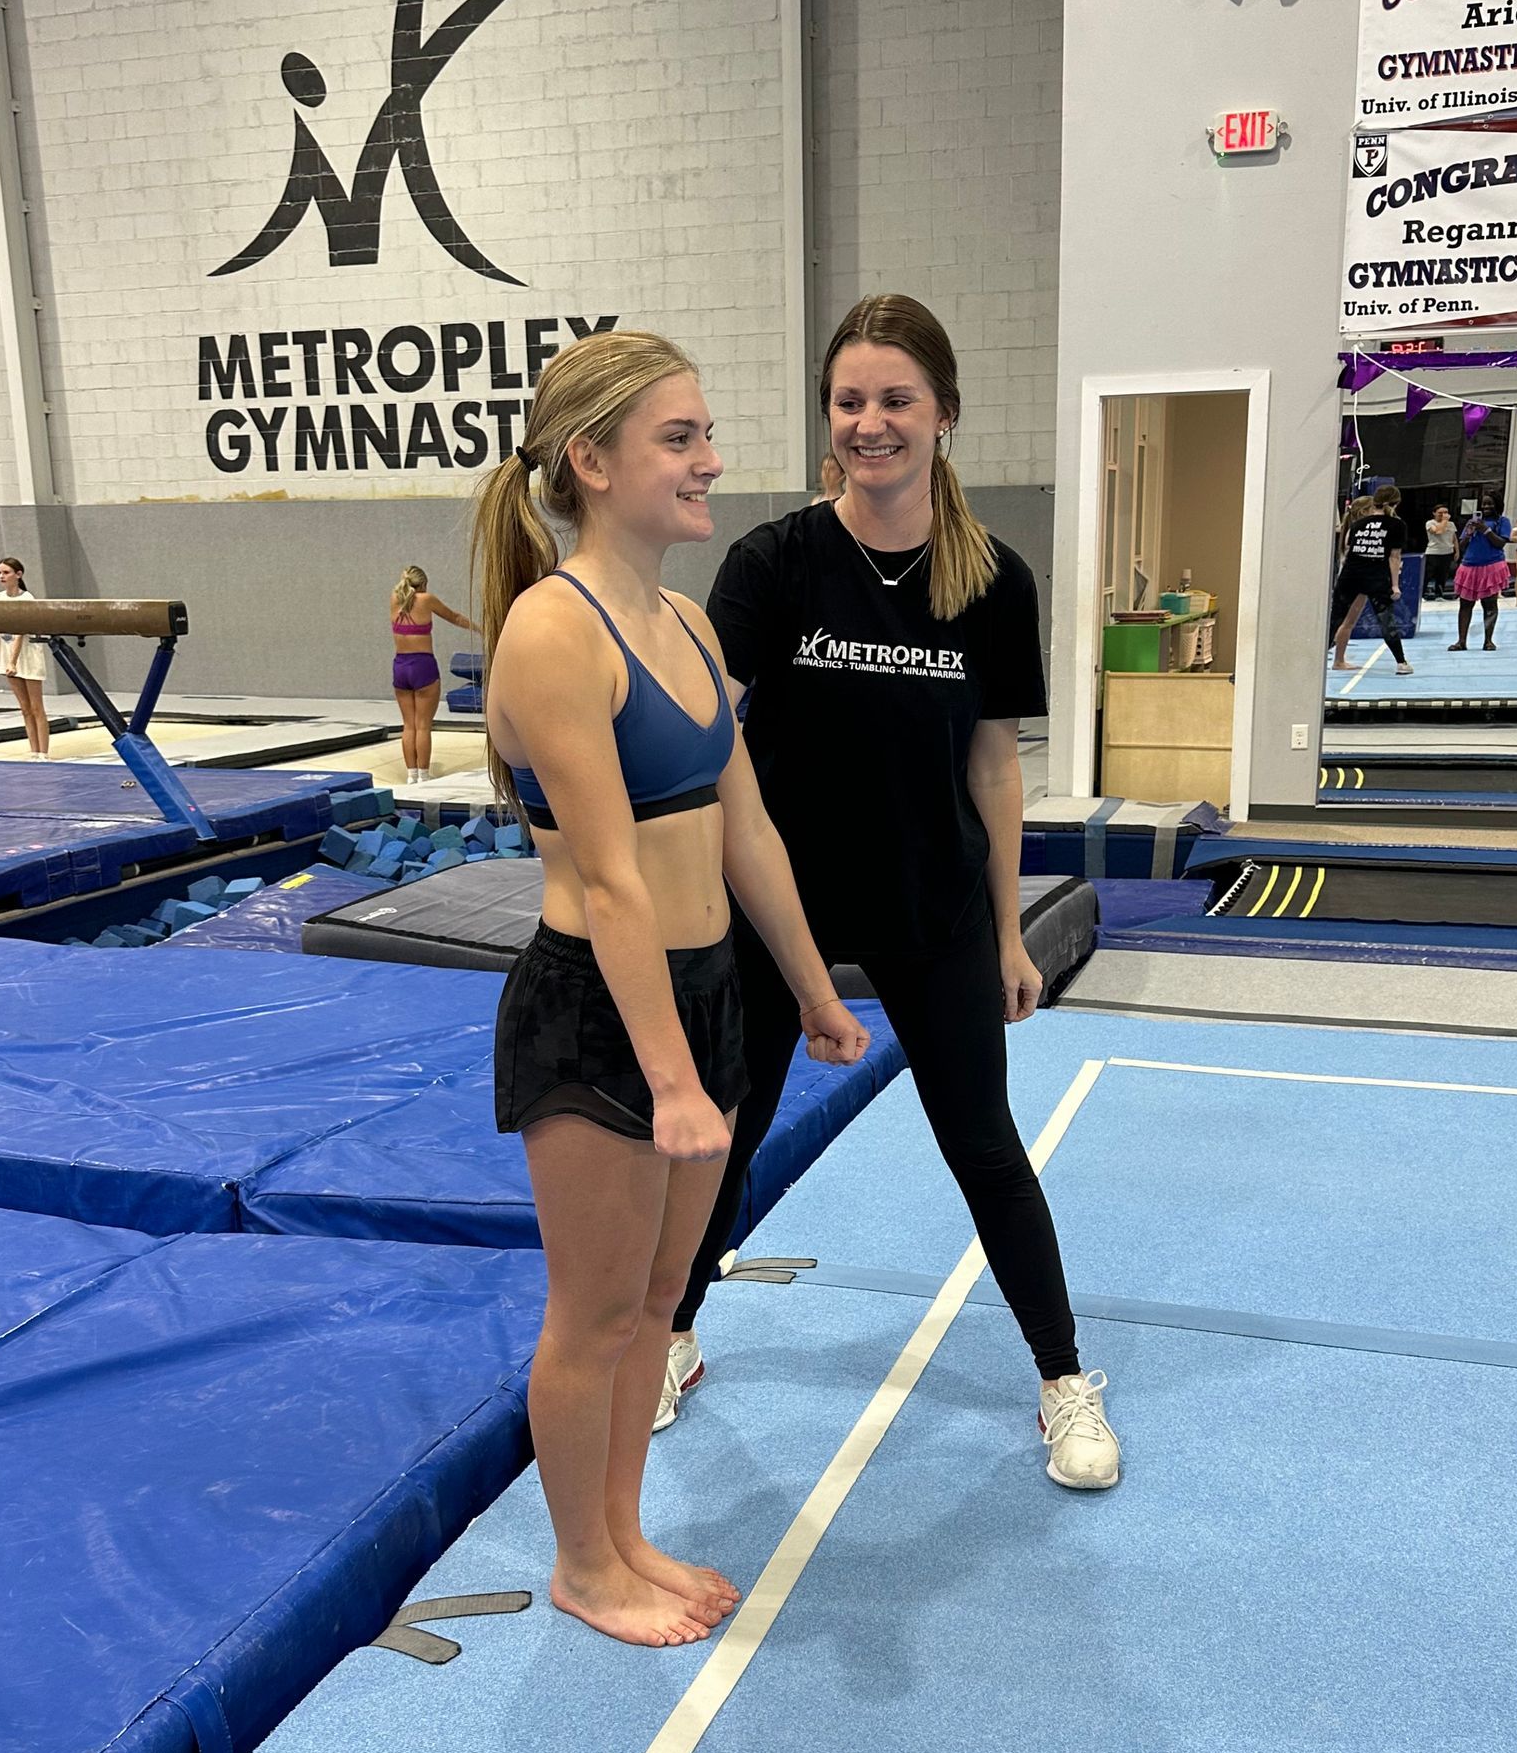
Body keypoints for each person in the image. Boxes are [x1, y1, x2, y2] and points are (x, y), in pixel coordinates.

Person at [657, 292, 1122, 1492]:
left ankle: (1064, 1377)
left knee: (983, 1144)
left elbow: (992, 763)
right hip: (780, 911)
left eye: (896, 400)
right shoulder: (773, 563)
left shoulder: (992, 581)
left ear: (944, 417)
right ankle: (671, 1334)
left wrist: (1012, 929)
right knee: (733, 1128)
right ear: (830, 421)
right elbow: (710, 745)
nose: (873, 423)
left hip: (933, 907)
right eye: (852, 401)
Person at [479, 329, 870, 1649]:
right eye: (681, 439)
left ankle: (628, 1530)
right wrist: (670, 1079)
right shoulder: (551, 630)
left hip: (700, 993)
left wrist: (813, 989)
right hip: (600, 1010)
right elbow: (606, 882)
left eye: (705, 434)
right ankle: (582, 1563)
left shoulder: (688, 624)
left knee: (660, 1301)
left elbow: (744, 830)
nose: (714, 462)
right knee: (591, 1312)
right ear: (591, 462)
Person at [389, 563, 473, 784]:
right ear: (424, 584)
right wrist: (480, 628)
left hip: (400, 666)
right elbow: (454, 617)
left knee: (409, 725)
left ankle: (411, 775)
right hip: (422, 665)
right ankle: (424, 776)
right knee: (423, 725)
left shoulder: (394, 599)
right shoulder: (426, 599)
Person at [1329, 482, 1414, 674]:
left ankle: (1325, 657)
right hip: (1372, 577)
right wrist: (1394, 585)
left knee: (1337, 619)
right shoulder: (1394, 525)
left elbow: (1350, 550)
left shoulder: (1356, 526)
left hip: (1350, 575)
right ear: (1395, 504)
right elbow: (1394, 556)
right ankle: (1400, 662)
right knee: (1378, 620)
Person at [0, 557, 51, 755]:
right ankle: (34, 751)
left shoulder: (27, 599)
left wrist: (13, 661)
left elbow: (20, 632)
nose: (1, 576)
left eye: (6, 572)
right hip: (7, 655)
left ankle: (44, 753)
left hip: (27, 656)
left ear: (18, 575)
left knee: (36, 708)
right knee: (25, 709)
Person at [1451, 494, 1512, 648]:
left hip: (1492, 565)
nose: (1486, 507)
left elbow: (1500, 543)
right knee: (1465, 605)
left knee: (1490, 604)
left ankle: (1488, 640)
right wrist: (1469, 532)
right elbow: (1462, 544)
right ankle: (1461, 641)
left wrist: (1486, 531)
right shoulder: (1471, 523)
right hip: (1469, 565)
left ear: (1497, 505)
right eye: (1484, 504)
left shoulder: (1502, 522)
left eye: (1490, 504)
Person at [1422, 503, 1457, 600]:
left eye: (1445, 512)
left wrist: (1456, 551)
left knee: (1443, 575)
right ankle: (1422, 594)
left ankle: (1439, 594)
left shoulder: (1451, 524)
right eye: (1440, 513)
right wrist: (1445, 521)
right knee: (1428, 575)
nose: (1443, 515)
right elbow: (1438, 531)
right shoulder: (1430, 523)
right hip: (1433, 552)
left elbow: (1454, 538)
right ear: (1434, 513)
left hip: (1447, 552)